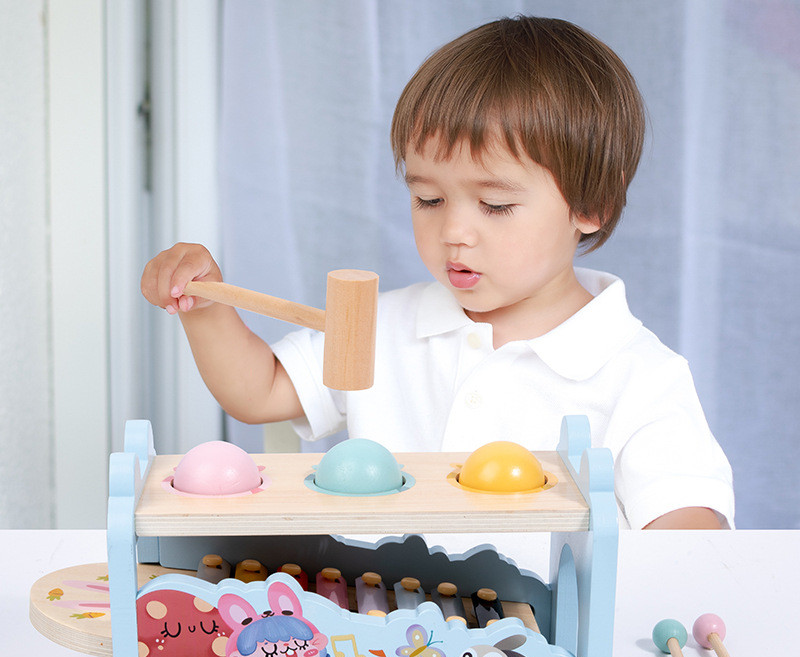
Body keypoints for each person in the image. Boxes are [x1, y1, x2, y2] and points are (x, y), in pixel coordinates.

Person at [141, 16, 733, 529]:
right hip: (380, 620)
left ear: (591, 205)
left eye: (494, 205)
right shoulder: (382, 327)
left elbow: (688, 525)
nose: (454, 231)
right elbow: (260, 389)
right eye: (428, 199)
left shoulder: (637, 374)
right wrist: (206, 306)